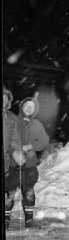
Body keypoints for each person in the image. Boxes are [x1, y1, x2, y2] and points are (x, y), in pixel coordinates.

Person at [5, 96, 49, 228]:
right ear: (22, 106)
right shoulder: (13, 120)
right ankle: (6, 220)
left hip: (29, 165)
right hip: (13, 164)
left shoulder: (37, 124)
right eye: (27, 106)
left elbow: (44, 141)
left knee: (29, 193)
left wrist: (30, 146)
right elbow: (7, 139)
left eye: (32, 107)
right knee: (9, 193)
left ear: (35, 110)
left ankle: (29, 221)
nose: (29, 108)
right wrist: (16, 150)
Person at [3, 86, 21, 229]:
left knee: (11, 192)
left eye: (5, 98)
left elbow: (15, 140)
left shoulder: (12, 118)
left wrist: (17, 153)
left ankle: (6, 218)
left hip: (10, 161)